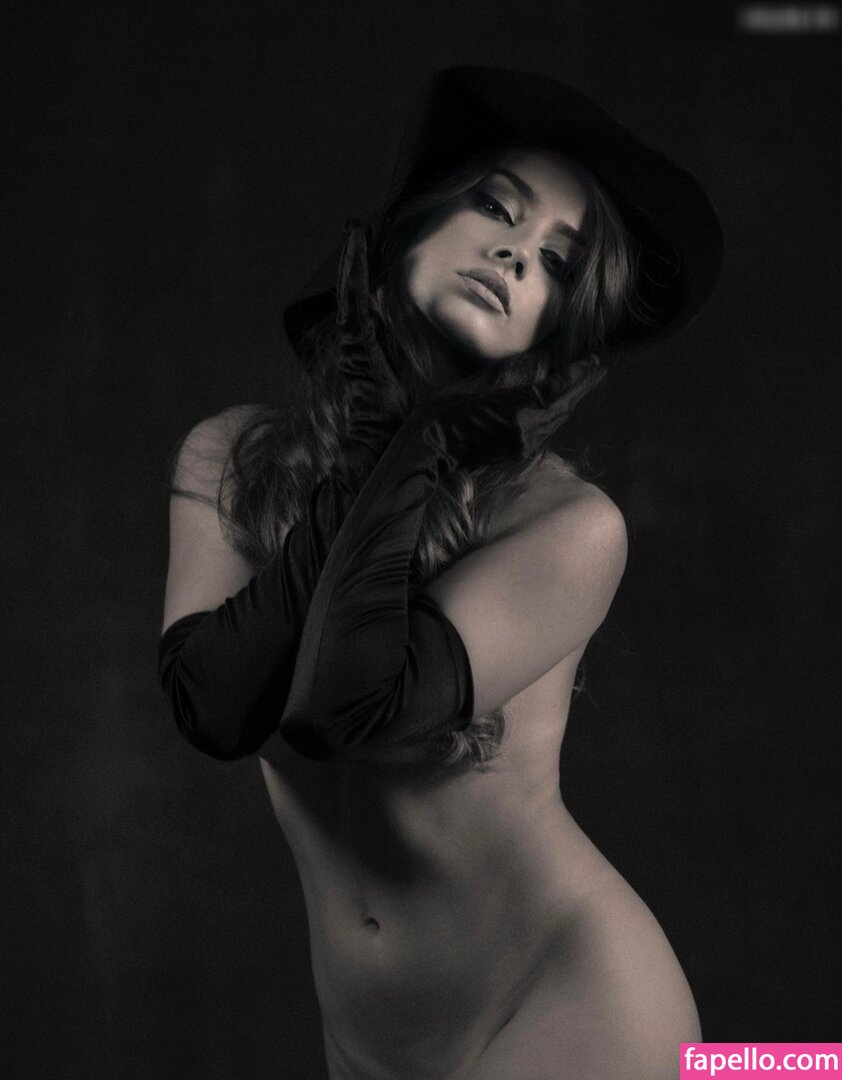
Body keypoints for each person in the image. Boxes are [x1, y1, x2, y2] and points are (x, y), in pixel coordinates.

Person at [159, 68, 723, 1079]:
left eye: (558, 262)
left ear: (561, 327)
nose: (515, 252)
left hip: (571, 1006)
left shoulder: (569, 526)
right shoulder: (228, 457)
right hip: (366, 1040)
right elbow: (215, 702)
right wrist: (369, 446)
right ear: (407, 230)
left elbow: (347, 705)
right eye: (496, 208)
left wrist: (414, 437)